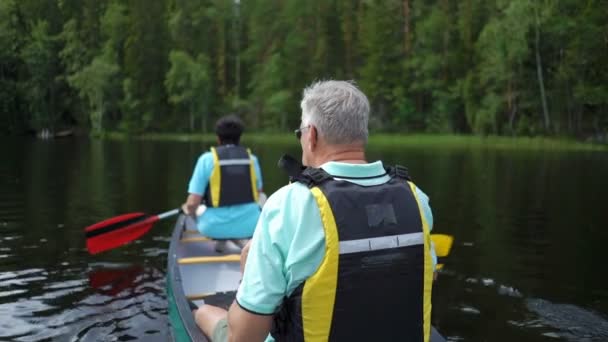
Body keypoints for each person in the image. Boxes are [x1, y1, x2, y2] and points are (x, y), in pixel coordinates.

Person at [194, 81, 438, 341]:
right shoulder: (416, 198)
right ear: (361, 134)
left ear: (311, 134)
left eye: (299, 132)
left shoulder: (289, 203)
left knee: (205, 312)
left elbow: (244, 338)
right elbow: (428, 275)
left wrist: (248, 273)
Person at [181, 114, 264, 246]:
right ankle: (240, 239)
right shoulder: (252, 159)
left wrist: (188, 210)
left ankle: (223, 238)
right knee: (262, 199)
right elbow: (258, 192)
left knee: (191, 206)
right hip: (251, 226)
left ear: (218, 138)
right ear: (240, 137)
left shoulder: (206, 159)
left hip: (212, 228)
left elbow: (193, 202)